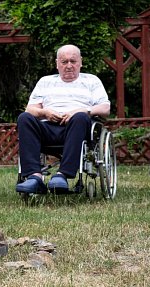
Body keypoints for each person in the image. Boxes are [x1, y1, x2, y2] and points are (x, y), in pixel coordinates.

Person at [16, 44, 110, 194]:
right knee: (24, 118)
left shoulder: (92, 81)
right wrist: (45, 112)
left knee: (80, 117)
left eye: (73, 61)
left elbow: (105, 109)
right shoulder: (45, 81)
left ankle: (62, 175)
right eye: (64, 62)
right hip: (48, 127)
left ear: (81, 62)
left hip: (77, 128)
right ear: (57, 64)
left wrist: (83, 110)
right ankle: (34, 177)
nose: (69, 66)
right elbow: (30, 109)